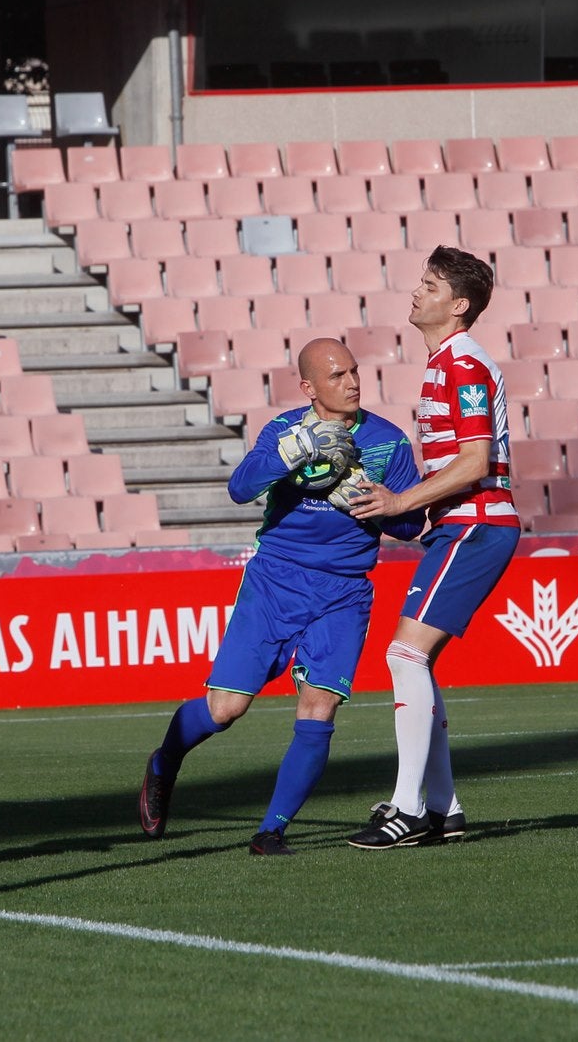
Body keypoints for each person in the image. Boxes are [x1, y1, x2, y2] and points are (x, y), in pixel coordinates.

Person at [138, 338, 424, 855]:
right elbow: (241, 488)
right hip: (276, 580)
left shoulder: (388, 441)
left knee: (318, 712)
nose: (353, 382)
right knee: (225, 709)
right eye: (337, 376)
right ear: (309, 387)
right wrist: (292, 454)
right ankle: (165, 761)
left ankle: (271, 830)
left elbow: (409, 525)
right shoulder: (283, 430)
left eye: (354, 372)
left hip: (345, 592)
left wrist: (378, 502)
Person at [340, 246, 520, 849]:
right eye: (422, 280)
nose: (417, 290)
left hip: (476, 523)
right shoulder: (446, 362)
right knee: (415, 659)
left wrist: (399, 502)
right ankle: (442, 807)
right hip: (461, 524)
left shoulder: (463, 363)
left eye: (432, 284)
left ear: (459, 305)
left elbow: (473, 463)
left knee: (404, 655)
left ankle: (408, 807)